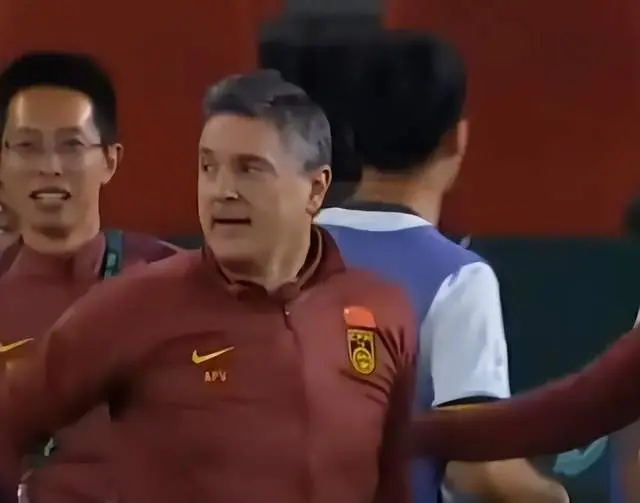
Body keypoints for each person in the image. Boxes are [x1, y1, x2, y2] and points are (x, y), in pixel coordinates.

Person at [0, 69, 417, 503]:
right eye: (208, 167)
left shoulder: (381, 310)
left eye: (249, 169)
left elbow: (393, 484)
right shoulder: (135, 305)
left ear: (315, 190)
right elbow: (10, 417)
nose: (222, 191)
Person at [317, 31, 566, 503]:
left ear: (348, 136)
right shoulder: (460, 280)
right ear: (457, 137)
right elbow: (477, 469)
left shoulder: (288, 245)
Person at [0, 51, 180, 503]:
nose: (50, 166)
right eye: (27, 146)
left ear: (110, 161)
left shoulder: (177, 281)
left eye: (71, 145)